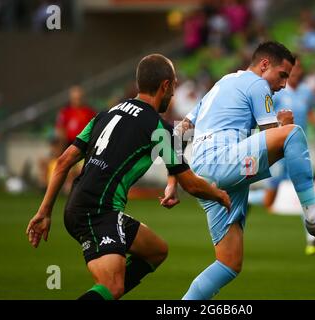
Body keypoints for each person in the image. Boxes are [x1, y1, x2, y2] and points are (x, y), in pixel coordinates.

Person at [26, 54, 231, 300]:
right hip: (97, 210)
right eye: (174, 85)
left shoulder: (107, 114)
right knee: (112, 286)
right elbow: (190, 182)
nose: (174, 93)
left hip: (86, 205)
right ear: (164, 86)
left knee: (156, 251)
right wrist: (220, 195)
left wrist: (44, 212)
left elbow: (62, 162)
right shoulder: (157, 127)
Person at [175, 41, 315, 300]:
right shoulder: (257, 84)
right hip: (221, 159)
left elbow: (183, 128)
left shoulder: (223, 82)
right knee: (293, 133)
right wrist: (284, 126)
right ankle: (313, 215)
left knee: (229, 264)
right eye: (282, 75)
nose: (283, 84)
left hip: (206, 174)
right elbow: (275, 137)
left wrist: (174, 177)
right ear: (264, 65)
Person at [252, 58, 315, 256]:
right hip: (278, 150)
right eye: (292, 69)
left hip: (297, 149)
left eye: (299, 68)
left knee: (304, 191)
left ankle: (312, 240)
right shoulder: (278, 91)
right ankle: (243, 197)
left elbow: (310, 111)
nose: (295, 72)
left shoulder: (306, 91)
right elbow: (265, 115)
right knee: (270, 197)